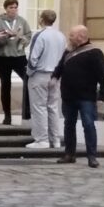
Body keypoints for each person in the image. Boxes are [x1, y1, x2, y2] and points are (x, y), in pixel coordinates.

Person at [52, 25, 104, 168]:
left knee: (88, 125)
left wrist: (102, 95)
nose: (69, 37)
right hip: (68, 95)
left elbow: (102, 75)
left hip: (86, 96)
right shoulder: (68, 51)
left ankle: (92, 156)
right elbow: (60, 67)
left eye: (71, 35)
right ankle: (69, 154)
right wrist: (54, 77)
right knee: (68, 125)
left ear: (81, 36)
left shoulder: (94, 52)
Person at [25, 9, 66, 149]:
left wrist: (29, 72)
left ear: (41, 19)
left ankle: (42, 139)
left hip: (40, 74)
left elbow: (33, 58)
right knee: (53, 107)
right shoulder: (61, 35)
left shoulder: (40, 35)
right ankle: (55, 139)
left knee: (39, 107)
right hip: (55, 75)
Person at [0, 0, 32, 125]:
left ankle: (27, 112)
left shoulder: (22, 21)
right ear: (6, 9)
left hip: (19, 56)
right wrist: (7, 36)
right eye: (11, 7)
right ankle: (7, 115)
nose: (13, 10)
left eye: (15, 7)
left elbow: (28, 35)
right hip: (2, 57)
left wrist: (21, 38)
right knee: (6, 85)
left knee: (28, 80)